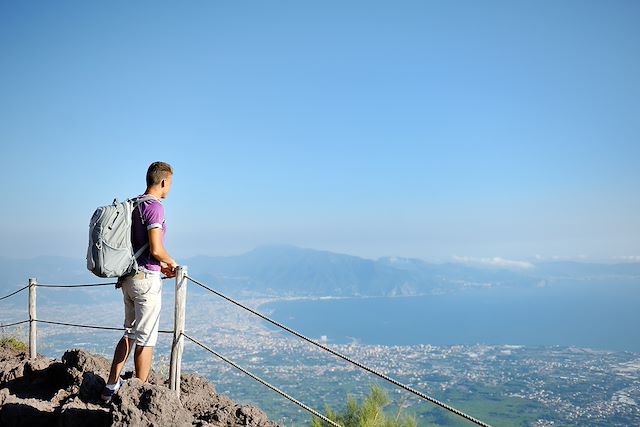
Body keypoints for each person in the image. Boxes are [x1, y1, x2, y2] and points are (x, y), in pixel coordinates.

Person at [101, 161, 178, 403]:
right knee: (146, 338)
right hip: (146, 281)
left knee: (129, 333)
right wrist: (172, 263)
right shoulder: (155, 207)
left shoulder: (133, 204)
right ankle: (138, 394)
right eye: (170, 184)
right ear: (164, 181)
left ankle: (111, 385)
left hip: (128, 278)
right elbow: (156, 248)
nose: (170, 189)